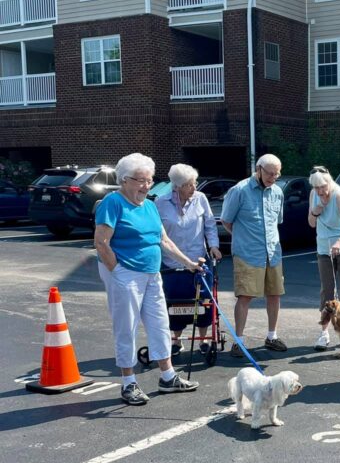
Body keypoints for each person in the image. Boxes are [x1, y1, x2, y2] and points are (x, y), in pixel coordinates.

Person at [93, 153, 205, 406]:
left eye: (149, 180)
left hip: (152, 274)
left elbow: (163, 240)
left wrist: (189, 264)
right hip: (125, 274)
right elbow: (101, 242)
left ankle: (167, 376)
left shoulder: (150, 206)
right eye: (140, 180)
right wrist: (117, 271)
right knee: (127, 327)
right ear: (124, 180)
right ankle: (128, 382)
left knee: (160, 324)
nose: (146, 186)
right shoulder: (113, 203)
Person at [220, 153, 287, 356]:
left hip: (273, 253)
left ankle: (272, 336)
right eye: (270, 173)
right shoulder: (239, 190)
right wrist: (243, 238)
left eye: (277, 174)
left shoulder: (277, 192)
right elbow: (226, 220)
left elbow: (277, 221)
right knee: (245, 296)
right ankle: (238, 341)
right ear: (258, 169)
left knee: (275, 294)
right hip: (248, 253)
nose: (273, 178)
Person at [155, 163, 222, 354]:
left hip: (198, 259)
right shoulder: (160, 203)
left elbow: (209, 224)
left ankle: (203, 339)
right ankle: (175, 341)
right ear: (177, 186)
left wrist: (214, 246)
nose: (194, 188)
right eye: (189, 185)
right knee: (175, 302)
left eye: (195, 183)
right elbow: (156, 233)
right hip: (171, 263)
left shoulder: (200, 199)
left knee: (203, 301)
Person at [307, 165, 340, 350]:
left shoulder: (338, 195)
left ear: (329, 182)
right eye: (317, 188)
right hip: (324, 248)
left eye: (323, 187)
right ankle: (323, 334)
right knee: (327, 291)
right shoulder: (314, 195)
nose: (321, 191)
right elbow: (311, 223)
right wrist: (316, 210)